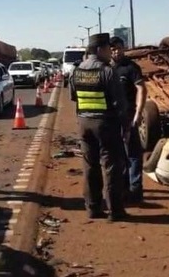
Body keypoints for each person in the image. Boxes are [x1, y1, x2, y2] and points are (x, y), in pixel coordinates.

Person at [69, 33, 130, 222]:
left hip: (84, 124)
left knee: (90, 166)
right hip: (106, 125)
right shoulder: (107, 71)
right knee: (111, 167)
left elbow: (74, 97)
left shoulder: (76, 71)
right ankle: (115, 211)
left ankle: (93, 208)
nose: (110, 52)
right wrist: (126, 127)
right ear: (98, 50)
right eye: (107, 49)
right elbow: (120, 103)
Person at [110, 36, 147, 203]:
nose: (116, 51)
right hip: (112, 119)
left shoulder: (131, 68)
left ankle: (136, 190)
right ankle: (123, 189)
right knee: (117, 156)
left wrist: (138, 113)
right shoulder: (106, 68)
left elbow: (141, 88)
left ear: (124, 49)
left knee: (133, 154)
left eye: (119, 48)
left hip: (129, 117)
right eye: (112, 49)